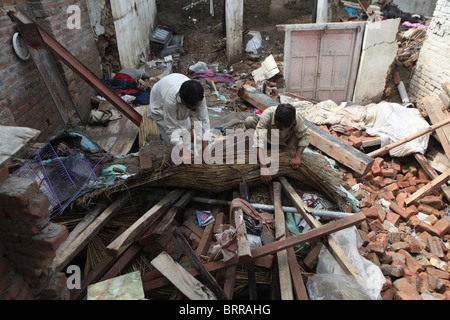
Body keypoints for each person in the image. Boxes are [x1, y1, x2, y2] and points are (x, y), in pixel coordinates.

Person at [147, 73, 210, 162]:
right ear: (181, 99)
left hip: (176, 86)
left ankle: (187, 155)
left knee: (185, 132)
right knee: (174, 146)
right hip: (160, 105)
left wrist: (205, 148)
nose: (193, 109)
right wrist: (182, 150)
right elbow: (171, 129)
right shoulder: (170, 101)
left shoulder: (199, 96)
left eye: (194, 106)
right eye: (189, 106)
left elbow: (204, 121)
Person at [244, 103, 310, 184]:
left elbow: (305, 136)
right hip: (267, 137)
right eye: (280, 125)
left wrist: (298, 156)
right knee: (249, 121)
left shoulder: (295, 117)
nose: (283, 128)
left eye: (286, 126)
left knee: (299, 133)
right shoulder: (267, 115)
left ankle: (288, 154)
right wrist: (263, 167)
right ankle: (263, 150)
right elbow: (259, 139)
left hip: (283, 140)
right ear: (275, 116)